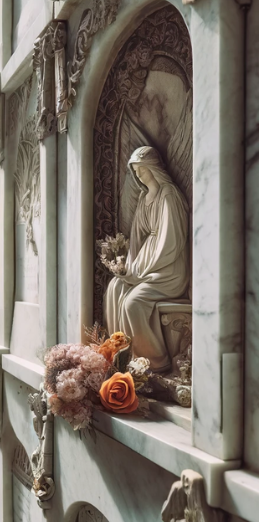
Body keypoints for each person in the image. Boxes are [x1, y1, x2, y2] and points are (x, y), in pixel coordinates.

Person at [104, 146, 190, 370]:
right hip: (148, 261)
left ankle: (154, 362)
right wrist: (128, 269)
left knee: (133, 303)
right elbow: (136, 238)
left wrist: (141, 273)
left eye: (142, 170)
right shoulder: (145, 197)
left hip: (168, 268)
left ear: (153, 168)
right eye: (135, 171)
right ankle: (124, 355)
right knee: (116, 287)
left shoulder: (168, 195)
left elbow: (172, 242)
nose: (139, 175)